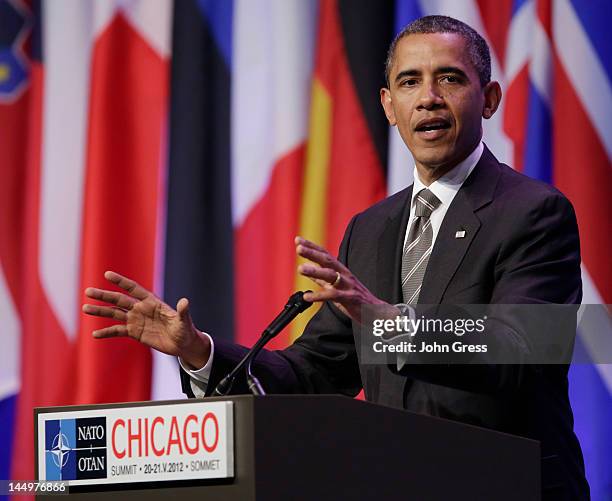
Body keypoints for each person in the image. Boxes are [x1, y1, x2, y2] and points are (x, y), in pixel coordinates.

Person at [83, 16, 589, 500]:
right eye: (410, 82)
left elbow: (519, 346)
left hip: (506, 487)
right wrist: (200, 352)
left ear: (490, 99)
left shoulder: (533, 213)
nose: (429, 98)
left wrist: (387, 322)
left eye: (450, 78)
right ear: (390, 106)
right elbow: (315, 373)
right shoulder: (370, 229)